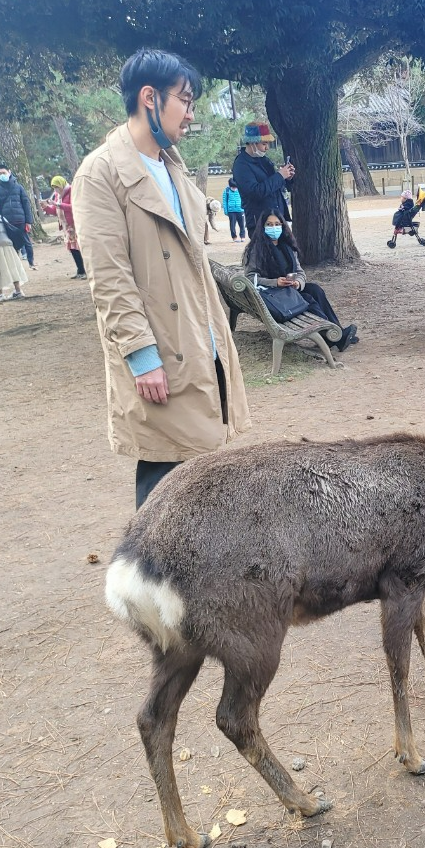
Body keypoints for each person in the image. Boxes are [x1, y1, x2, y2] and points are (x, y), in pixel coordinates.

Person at [73, 47, 251, 509]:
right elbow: (109, 278)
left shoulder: (172, 165)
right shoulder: (100, 173)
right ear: (149, 98)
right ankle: (151, 575)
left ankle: (196, 577)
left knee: (203, 475)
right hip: (160, 349)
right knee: (164, 476)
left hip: (199, 335)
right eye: (185, 101)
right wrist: (141, 356)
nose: (190, 115)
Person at [245, 208, 357, 351]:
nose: (274, 228)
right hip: (273, 295)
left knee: (315, 290)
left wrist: (298, 283)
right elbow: (250, 277)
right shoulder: (256, 249)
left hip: (290, 288)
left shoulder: (287, 246)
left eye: (277, 224)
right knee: (308, 299)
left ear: (283, 225)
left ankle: (337, 331)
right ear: (262, 227)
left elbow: (299, 271)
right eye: (269, 225)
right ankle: (332, 336)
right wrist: (275, 282)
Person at [231, 122, 292, 239]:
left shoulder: (264, 160)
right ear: (253, 143)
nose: (267, 148)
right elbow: (255, 192)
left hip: (277, 218)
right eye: (264, 144)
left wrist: (287, 178)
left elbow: (274, 187)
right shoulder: (241, 165)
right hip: (259, 221)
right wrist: (279, 176)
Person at [0, 163, 35, 269]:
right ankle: (17, 265)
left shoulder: (18, 187)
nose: (2, 175)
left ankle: (31, 262)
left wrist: (28, 221)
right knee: (12, 245)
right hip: (7, 222)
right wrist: (0, 222)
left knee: (27, 242)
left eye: (4, 172)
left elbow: (26, 204)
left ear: (9, 172)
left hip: (20, 220)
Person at [49, 175, 86, 279]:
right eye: (54, 188)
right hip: (66, 226)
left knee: (79, 248)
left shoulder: (71, 191)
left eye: (57, 187)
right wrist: (47, 207)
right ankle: (80, 270)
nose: (56, 190)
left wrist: (58, 205)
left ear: (62, 185)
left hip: (74, 223)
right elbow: (55, 210)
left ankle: (86, 270)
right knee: (72, 249)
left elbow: (74, 206)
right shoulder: (57, 195)